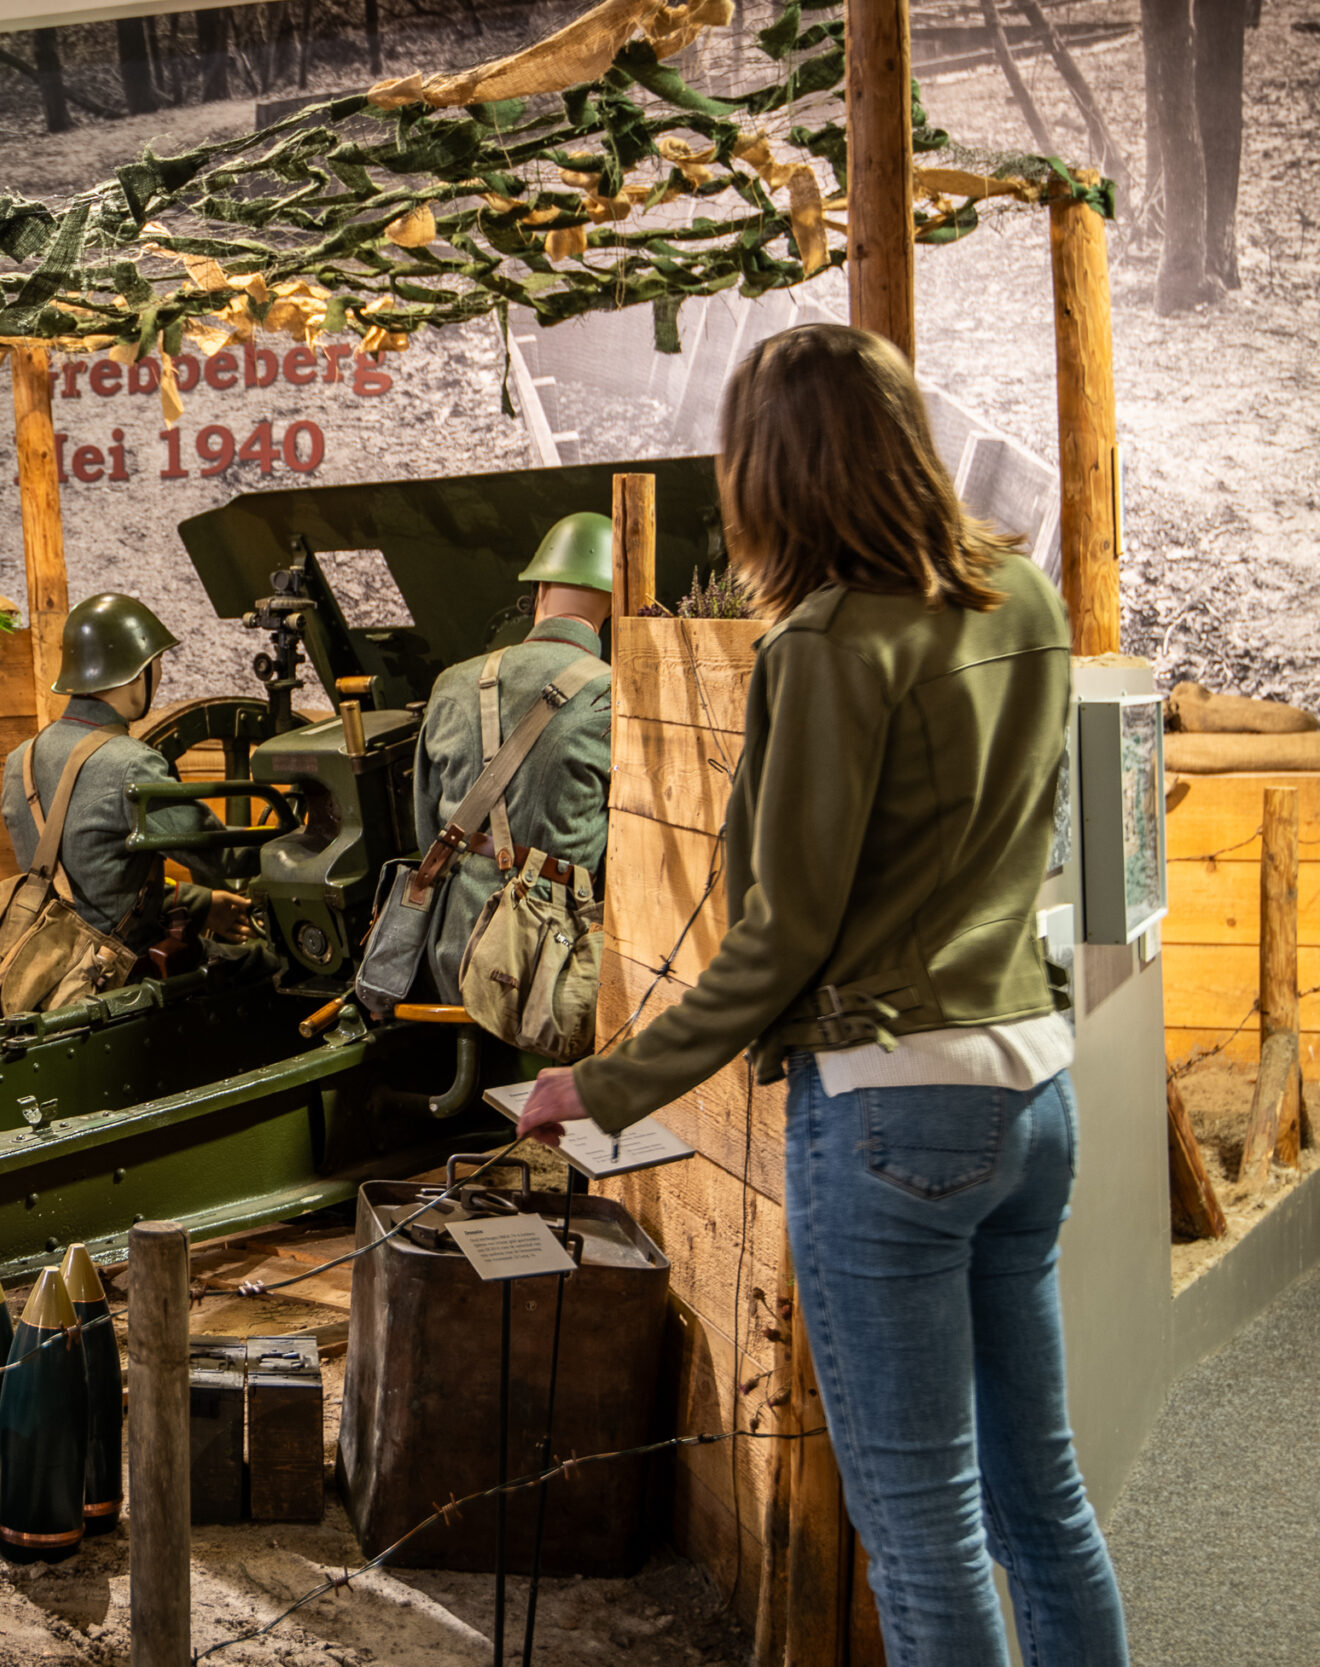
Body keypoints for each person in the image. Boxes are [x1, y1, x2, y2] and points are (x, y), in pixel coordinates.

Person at [514, 323, 1127, 1666]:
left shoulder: (830, 644)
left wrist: (601, 1082)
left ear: (771, 473)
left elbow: (780, 936)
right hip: (1033, 1088)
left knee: (921, 1532)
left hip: (892, 1106)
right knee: (1043, 1503)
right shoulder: (1022, 598)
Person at [409, 512, 614, 1008]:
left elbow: (425, 829)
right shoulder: (616, 696)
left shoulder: (451, 683)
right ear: (615, 604)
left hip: (451, 955)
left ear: (539, 588)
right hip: (553, 971)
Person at [0, 592, 252, 964]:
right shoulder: (131, 764)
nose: (161, 675)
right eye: (158, 662)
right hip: (122, 968)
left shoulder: (19, 760)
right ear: (138, 671)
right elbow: (223, 857)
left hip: (52, 965)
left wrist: (202, 903)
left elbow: (92, 880)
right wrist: (301, 844)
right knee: (265, 967)